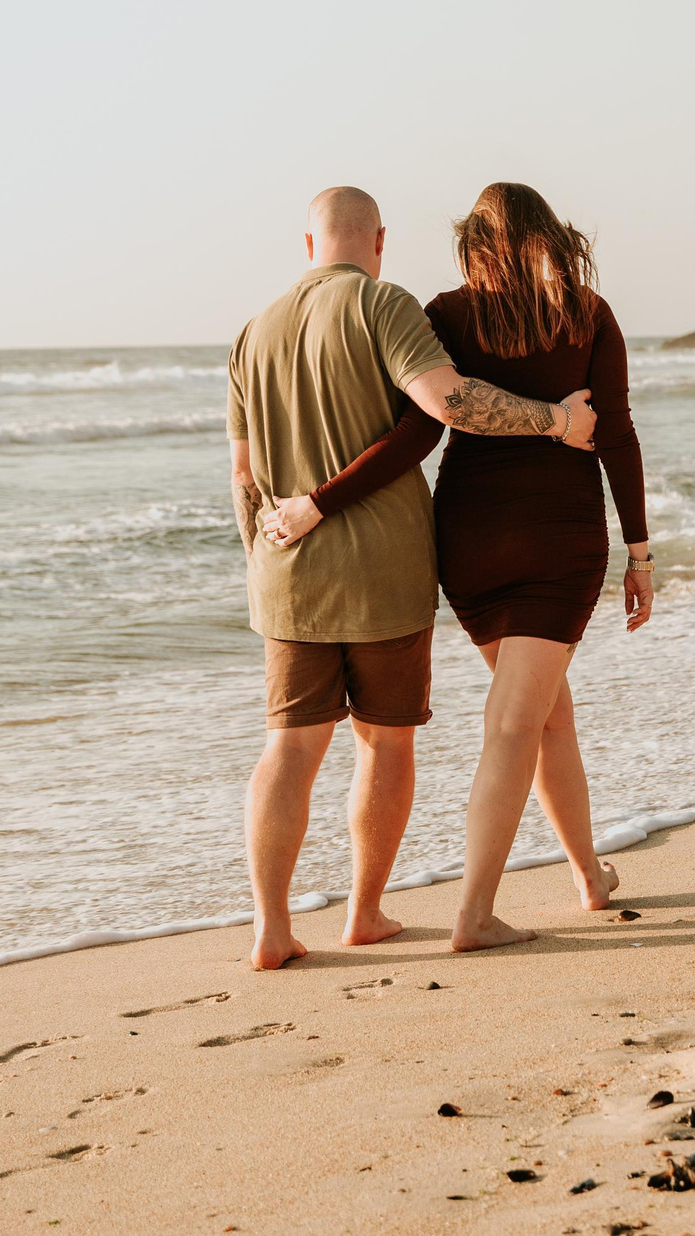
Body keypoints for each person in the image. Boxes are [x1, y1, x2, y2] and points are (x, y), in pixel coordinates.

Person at [266, 182, 649, 952]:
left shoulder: (446, 312)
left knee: (547, 712)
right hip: (556, 545)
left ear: (471, 239)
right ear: (550, 233)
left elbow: (417, 436)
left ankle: (586, 875)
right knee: (517, 719)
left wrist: (319, 501)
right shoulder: (586, 313)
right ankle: (474, 913)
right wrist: (639, 550)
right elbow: (616, 435)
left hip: (469, 544)